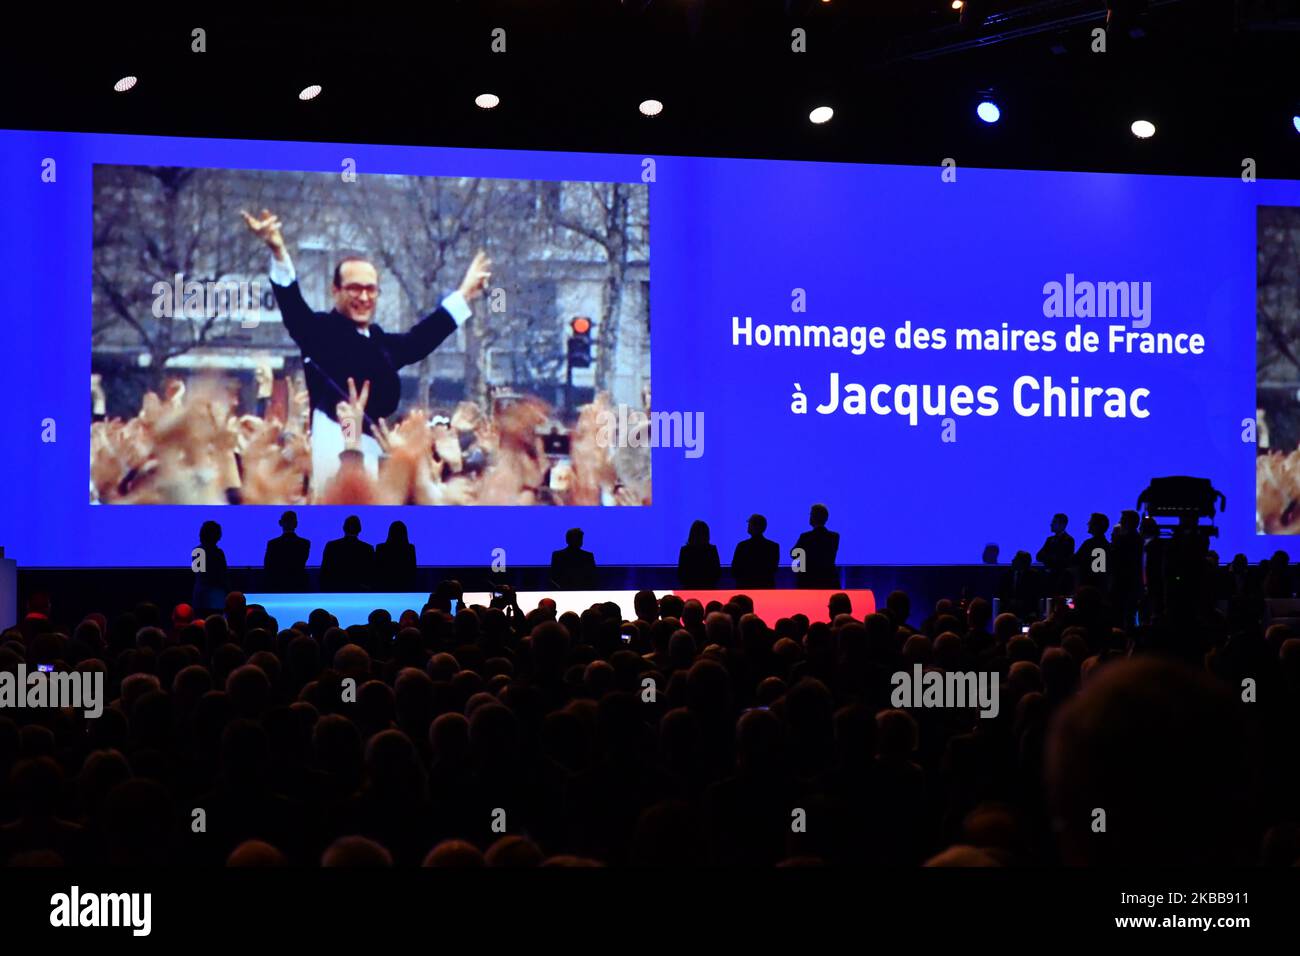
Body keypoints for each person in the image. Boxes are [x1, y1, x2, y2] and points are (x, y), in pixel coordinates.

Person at [241, 208, 492, 493]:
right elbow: (292, 305)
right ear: (335, 291)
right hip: (336, 453)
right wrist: (277, 250)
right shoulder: (319, 332)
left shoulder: (380, 340)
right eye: (355, 288)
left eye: (371, 290)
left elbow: (419, 341)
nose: (364, 297)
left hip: (380, 456)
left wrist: (464, 294)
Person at [320, 515, 375, 591]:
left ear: (343, 528)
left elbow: (324, 572)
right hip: (360, 592)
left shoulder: (331, 546)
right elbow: (371, 574)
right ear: (360, 529)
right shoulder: (368, 548)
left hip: (335, 590)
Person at [792, 503, 839, 589]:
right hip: (829, 579)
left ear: (813, 517)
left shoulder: (805, 536)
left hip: (808, 580)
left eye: (811, 514)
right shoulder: (834, 536)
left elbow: (794, 554)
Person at [263, 510, 311, 591]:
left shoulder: (272, 544)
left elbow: (268, 567)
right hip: (299, 585)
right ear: (296, 524)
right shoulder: (305, 543)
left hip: (277, 585)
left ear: (280, 523)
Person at [731, 514, 779, 590]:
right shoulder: (773, 546)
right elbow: (773, 569)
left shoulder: (742, 546)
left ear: (755, 526)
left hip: (744, 586)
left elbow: (734, 569)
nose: (748, 526)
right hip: (765, 586)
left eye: (749, 524)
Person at [192, 520, 229, 612]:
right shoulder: (218, 553)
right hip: (216, 597)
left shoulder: (197, 551)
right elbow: (222, 575)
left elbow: (199, 573)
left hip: (201, 596)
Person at [1035, 513, 1074, 593]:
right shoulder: (1049, 539)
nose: (1051, 524)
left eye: (1054, 522)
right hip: (1048, 578)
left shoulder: (1069, 540)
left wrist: (1048, 557)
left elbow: (1062, 560)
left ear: (1062, 525)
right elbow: (1038, 556)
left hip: (1060, 580)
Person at [677, 520, 721, 589]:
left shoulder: (685, 550)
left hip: (689, 588)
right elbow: (717, 572)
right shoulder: (712, 550)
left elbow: (681, 574)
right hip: (709, 588)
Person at [376, 521, 418, 591]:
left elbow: (377, 570)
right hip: (405, 587)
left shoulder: (380, 548)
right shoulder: (410, 548)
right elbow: (412, 570)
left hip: (384, 587)